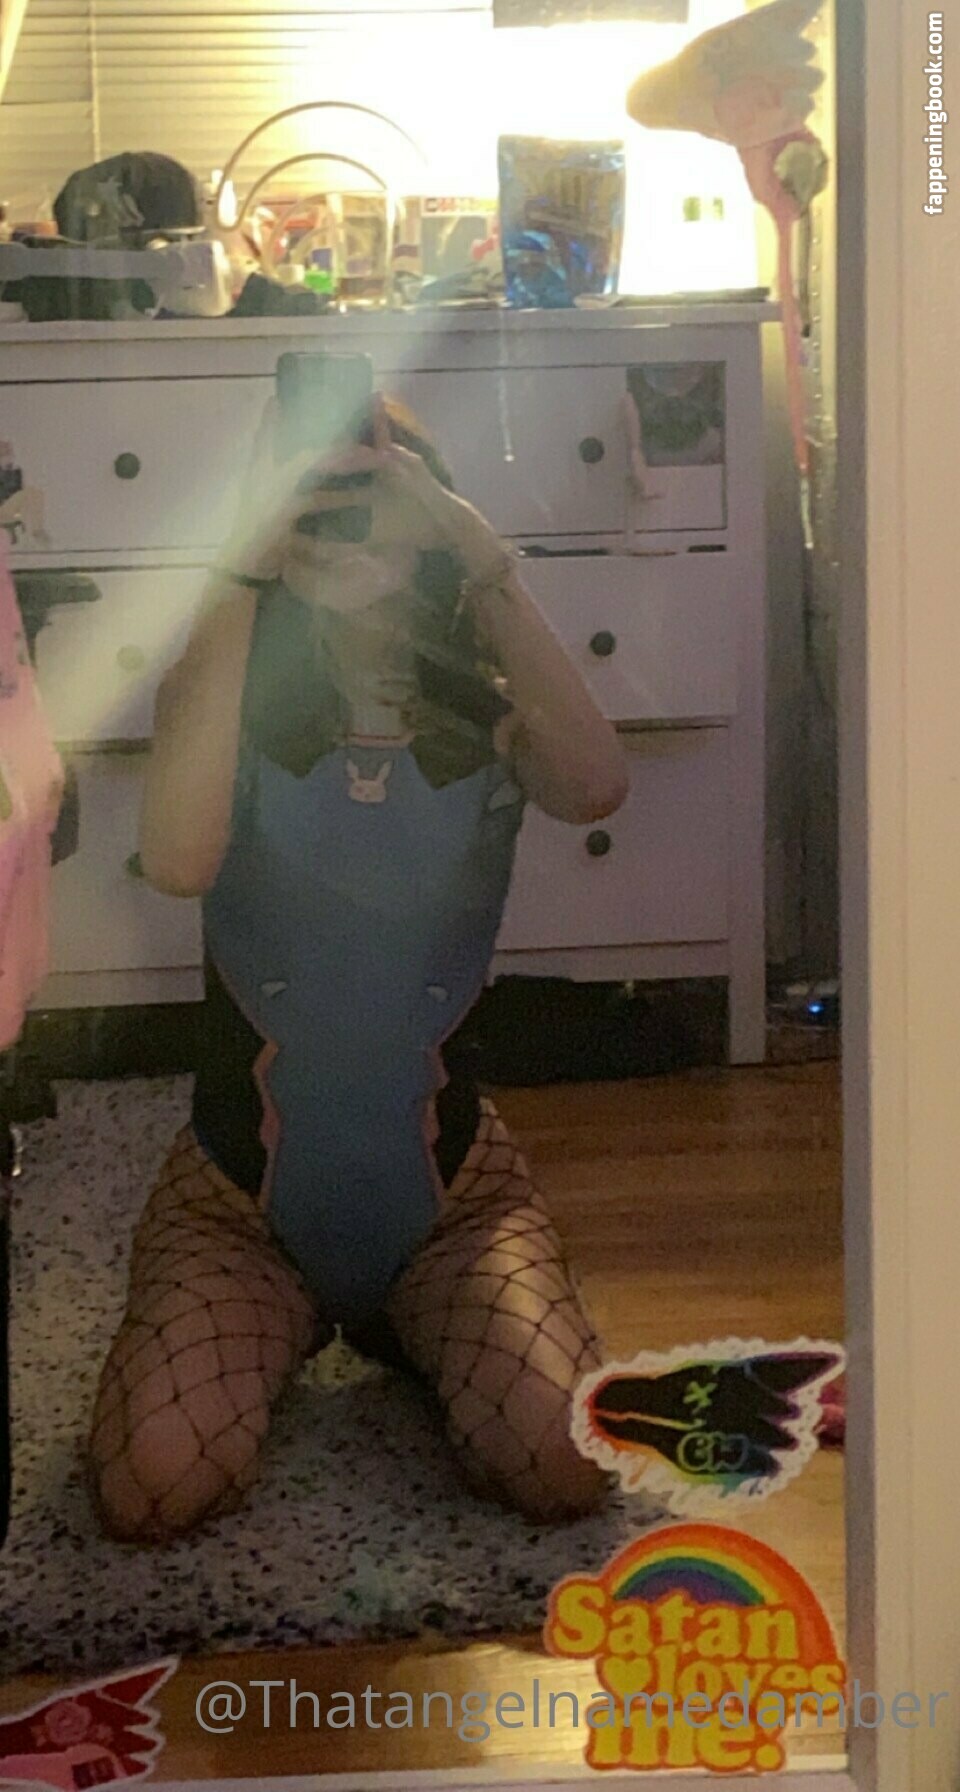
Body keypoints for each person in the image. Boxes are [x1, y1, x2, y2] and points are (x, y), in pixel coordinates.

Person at [89, 394, 628, 1542]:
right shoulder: (222, 696)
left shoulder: (489, 713)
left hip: (452, 1201)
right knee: (151, 1485)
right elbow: (178, 862)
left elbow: (594, 785)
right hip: (240, 1207)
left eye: (368, 486)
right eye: (310, 490)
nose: (341, 515)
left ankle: (409, 1320)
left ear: (421, 502)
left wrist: (475, 545)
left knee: (562, 1462)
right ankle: (295, 1322)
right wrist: (241, 569)